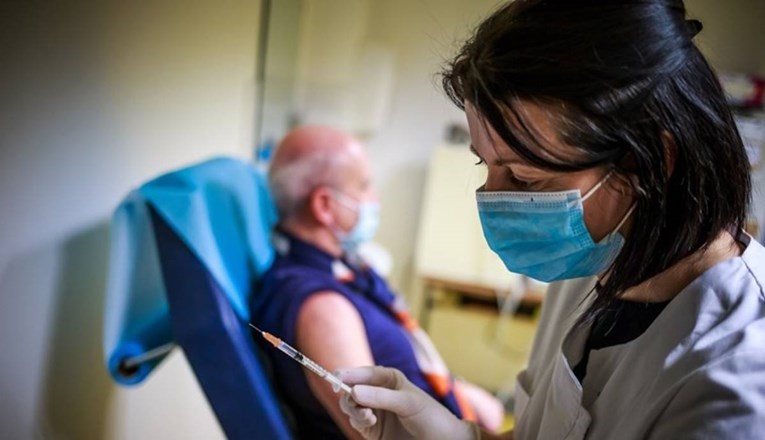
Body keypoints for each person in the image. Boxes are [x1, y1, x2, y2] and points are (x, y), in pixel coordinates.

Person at [337, 1, 765, 439]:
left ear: (649, 161)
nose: (492, 198)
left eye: (525, 177)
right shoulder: (593, 265)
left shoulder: (738, 381)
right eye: (485, 164)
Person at [250, 125, 504, 439]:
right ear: (324, 206)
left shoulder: (343, 267)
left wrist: (460, 393)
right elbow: (373, 432)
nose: (375, 199)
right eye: (364, 186)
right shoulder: (323, 309)